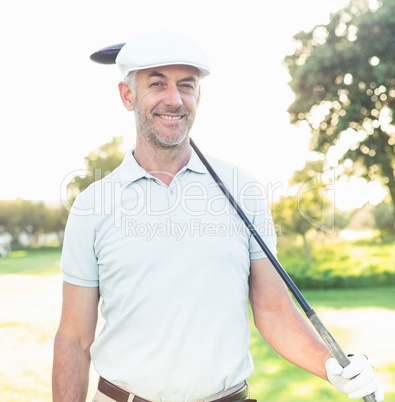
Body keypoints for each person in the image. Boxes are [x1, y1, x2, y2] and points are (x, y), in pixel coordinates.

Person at [52, 32, 384, 402]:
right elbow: (74, 338)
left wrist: (331, 366)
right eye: (157, 83)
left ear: (199, 96)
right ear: (127, 96)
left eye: (186, 85)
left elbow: (273, 311)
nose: (174, 99)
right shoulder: (91, 205)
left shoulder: (244, 190)